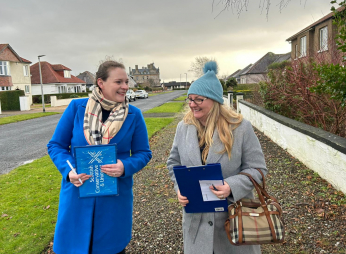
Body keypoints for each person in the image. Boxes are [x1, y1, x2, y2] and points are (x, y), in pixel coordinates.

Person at [47, 60, 152, 254]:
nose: (125, 87)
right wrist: (68, 170)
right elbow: (56, 146)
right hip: (77, 197)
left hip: (114, 200)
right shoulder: (76, 108)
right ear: (101, 83)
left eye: (126, 82)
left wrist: (125, 166)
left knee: (110, 248)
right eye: (119, 82)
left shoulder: (134, 115)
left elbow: (144, 153)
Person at [167, 61, 267, 254]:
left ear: (214, 100)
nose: (192, 104)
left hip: (235, 223)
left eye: (198, 99)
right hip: (196, 226)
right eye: (190, 99)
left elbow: (259, 169)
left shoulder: (240, 128)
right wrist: (180, 187)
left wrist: (231, 186)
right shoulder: (184, 128)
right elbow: (173, 162)